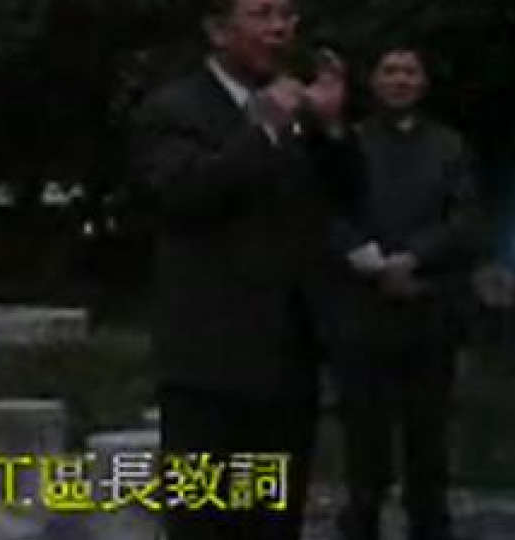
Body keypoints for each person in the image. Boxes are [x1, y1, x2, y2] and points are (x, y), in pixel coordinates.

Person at [130, 0, 364, 538]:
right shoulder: (172, 108)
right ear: (218, 30)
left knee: (275, 523)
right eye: (262, 14)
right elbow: (183, 193)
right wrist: (262, 132)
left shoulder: (300, 110)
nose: (279, 28)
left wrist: (332, 127)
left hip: (288, 360)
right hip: (206, 366)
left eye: (287, 15)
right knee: (205, 522)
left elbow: (350, 198)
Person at [325, 44, 482, 540]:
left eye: (409, 72)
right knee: (364, 436)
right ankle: (361, 521)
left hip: (429, 306)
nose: (400, 81)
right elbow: (329, 211)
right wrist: (369, 259)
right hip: (363, 307)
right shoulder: (350, 143)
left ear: (423, 82)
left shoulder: (449, 146)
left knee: (427, 436)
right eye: (390, 71)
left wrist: (413, 257)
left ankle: (429, 525)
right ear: (373, 81)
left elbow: (465, 218)